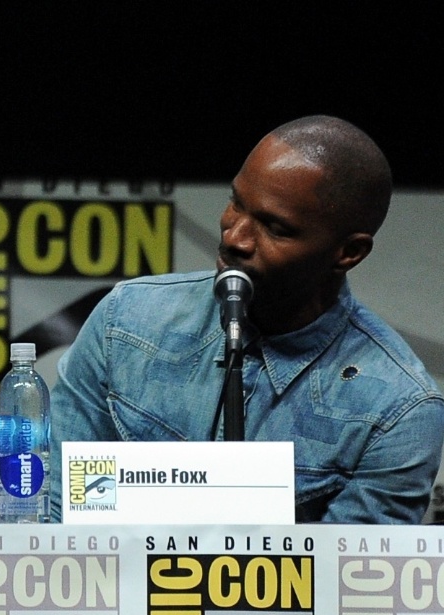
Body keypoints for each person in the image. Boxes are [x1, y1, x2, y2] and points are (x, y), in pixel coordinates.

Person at [49, 115, 444, 524]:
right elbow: (57, 518)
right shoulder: (125, 320)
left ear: (349, 253)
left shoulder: (397, 409)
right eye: (237, 202)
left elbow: (346, 579)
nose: (234, 237)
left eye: (276, 227)